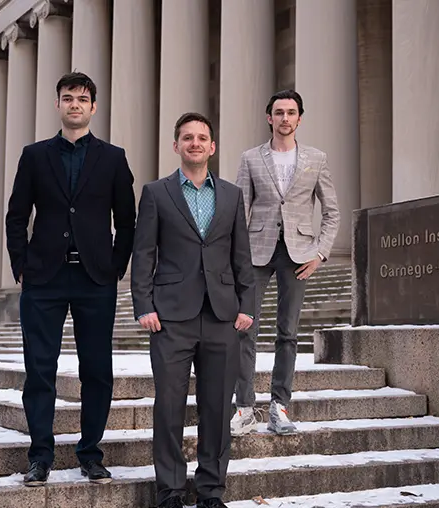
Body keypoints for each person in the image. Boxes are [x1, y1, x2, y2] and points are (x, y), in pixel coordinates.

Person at [5, 72, 136, 486]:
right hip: (44, 277)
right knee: (39, 370)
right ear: (58, 105)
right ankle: (40, 456)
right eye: (68, 98)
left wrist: (116, 265)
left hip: (95, 278)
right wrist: (21, 264)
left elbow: (127, 220)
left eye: (82, 98)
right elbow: (16, 215)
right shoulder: (34, 155)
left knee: (96, 370)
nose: (75, 104)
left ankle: (90, 453)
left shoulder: (113, 158)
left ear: (93, 107)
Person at [131, 112, 255, 508]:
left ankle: (210, 491)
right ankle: (169, 490)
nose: (195, 143)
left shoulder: (233, 196)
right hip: (170, 318)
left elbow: (242, 258)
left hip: (222, 317)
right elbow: (143, 253)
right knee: (169, 406)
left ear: (212, 147)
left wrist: (247, 306)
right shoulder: (156, 193)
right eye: (188, 138)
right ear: (176, 146)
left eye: (202, 138)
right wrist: (144, 305)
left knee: (218, 409)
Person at [230, 89, 340, 436]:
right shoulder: (250, 158)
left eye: (291, 113)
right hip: (257, 252)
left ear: (299, 118)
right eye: (279, 112)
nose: (285, 118)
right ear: (269, 117)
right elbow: (238, 212)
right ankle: (245, 407)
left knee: (287, 333)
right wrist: (236, 257)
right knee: (245, 328)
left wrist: (320, 253)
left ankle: (279, 406)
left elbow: (332, 212)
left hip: (298, 254)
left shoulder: (316, 158)